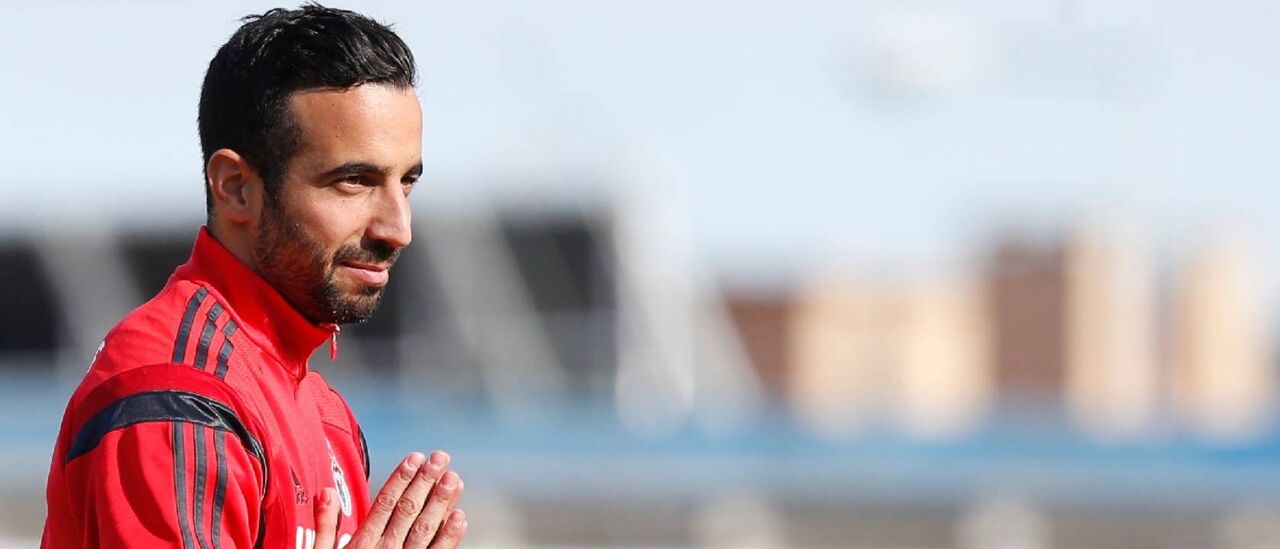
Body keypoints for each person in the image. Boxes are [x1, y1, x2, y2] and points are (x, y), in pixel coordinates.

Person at [41, 5, 468, 548]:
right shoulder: (180, 398)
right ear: (236, 187)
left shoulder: (325, 412)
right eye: (355, 181)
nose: (398, 229)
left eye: (405, 182)